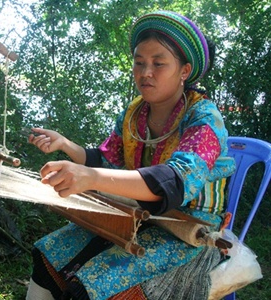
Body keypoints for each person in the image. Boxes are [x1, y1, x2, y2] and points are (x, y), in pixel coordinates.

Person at [25, 10, 236, 300]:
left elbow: (175, 181)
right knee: (47, 258)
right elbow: (106, 160)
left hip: (188, 229)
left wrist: (91, 177)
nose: (145, 72)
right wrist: (66, 144)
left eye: (158, 63)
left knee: (87, 290)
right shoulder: (134, 113)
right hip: (137, 214)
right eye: (139, 63)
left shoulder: (204, 118)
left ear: (184, 71)